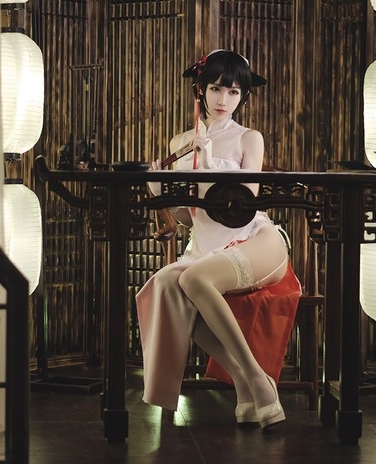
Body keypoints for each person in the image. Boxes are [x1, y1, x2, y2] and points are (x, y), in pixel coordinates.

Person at [136, 49, 292, 429]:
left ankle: (257, 379)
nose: (224, 100)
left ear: (243, 96)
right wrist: (159, 193)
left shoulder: (249, 139)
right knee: (164, 285)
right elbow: (186, 218)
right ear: (201, 90)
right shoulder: (181, 142)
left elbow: (242, 206)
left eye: (234, 92)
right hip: (207, 250)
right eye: (216, 89)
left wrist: (206, 166)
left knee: (192, 278)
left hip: (255, 241)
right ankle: (245, 381)